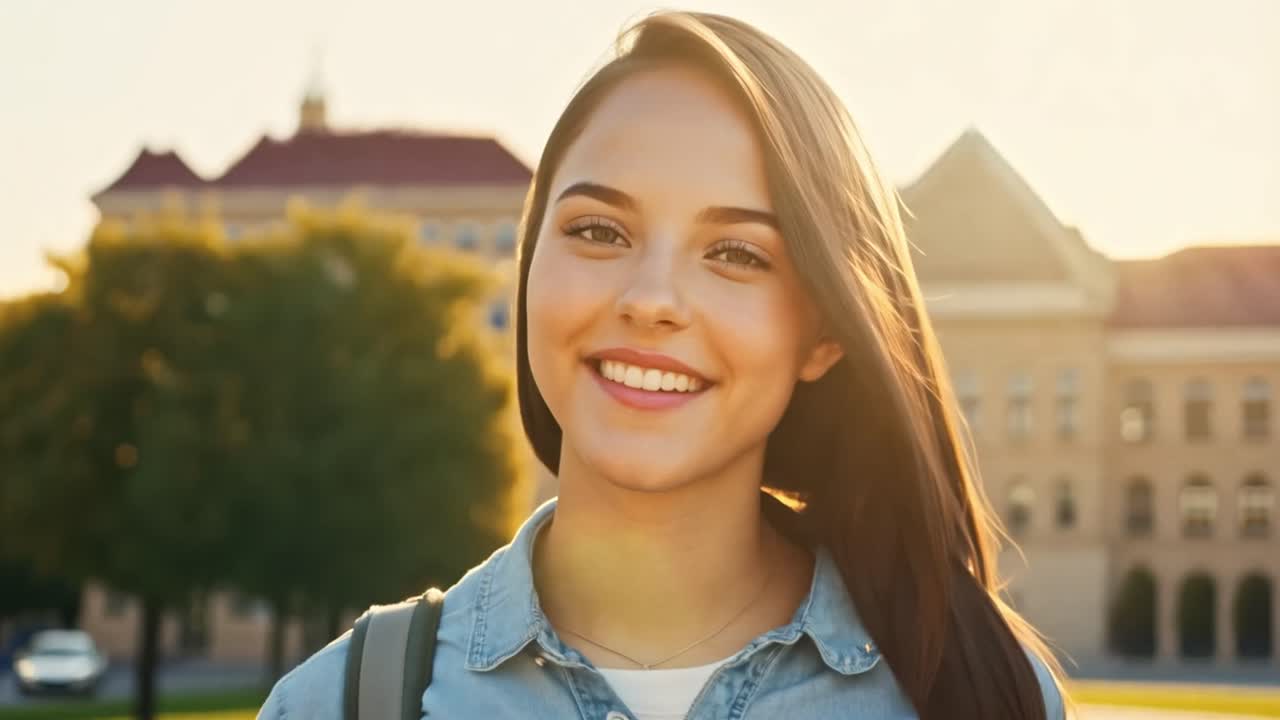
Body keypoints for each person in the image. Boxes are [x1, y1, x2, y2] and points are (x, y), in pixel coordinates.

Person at [258, 10, 1067, 720]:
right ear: (530, 266)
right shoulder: (336, 705)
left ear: (825, 333)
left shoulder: (985, 697)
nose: (652, 299)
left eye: (736, 253)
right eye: (599, 232)